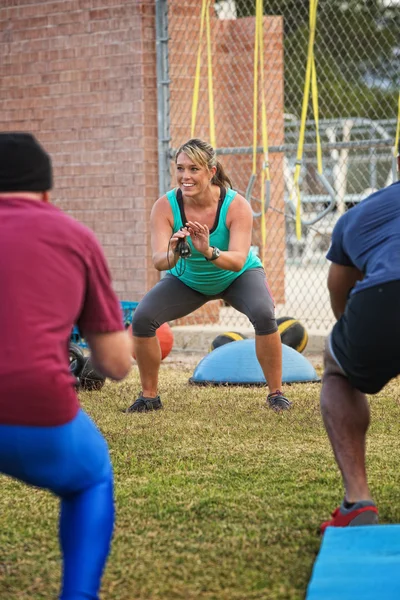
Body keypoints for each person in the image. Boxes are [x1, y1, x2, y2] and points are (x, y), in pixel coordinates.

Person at [0, 133, 133, 599]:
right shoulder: (74, 237)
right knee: (90, 478)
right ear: (46, 192)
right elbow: (116, 364)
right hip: (35, 406)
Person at [126, 138, 290, 413]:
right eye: (180, 169)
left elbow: (238, 261)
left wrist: (207, 250)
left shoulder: (236, 205)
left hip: (237, 277)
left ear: (211, 172)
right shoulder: (165, 206)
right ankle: (149, 397)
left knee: (264, 313)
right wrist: (176, 252)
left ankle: (276, 394)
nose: (185, 176)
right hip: (188, 281)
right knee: (142, 319)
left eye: (193, 169)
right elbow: (159, 262)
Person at [320, 143, 400, 533]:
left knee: (337, 367)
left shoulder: (361, 214)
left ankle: (358, 499)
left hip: (383, 298)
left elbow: (340, 294)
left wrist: (362, 347)